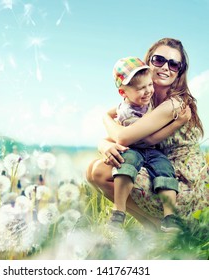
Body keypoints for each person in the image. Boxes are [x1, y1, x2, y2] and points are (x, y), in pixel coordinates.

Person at [86, 38, 209, 231]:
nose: (165, 67)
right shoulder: (145, 100)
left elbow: (125, 137)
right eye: (159, 60)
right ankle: (153, 228)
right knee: (93, 170)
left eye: (174, 64)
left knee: (100, 172)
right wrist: (104, 144)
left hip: (180, 184)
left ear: (179, 72)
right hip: (157, 169)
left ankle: (162, 228)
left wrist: (105, 120)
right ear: (148, 63)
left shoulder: (176, 103)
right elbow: (124, 131)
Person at [108, 56, 180, 232]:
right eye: (141, 88)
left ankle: (169, 216)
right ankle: (119, 210)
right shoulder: (125, 112)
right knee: (125, 164)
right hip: (134, 148)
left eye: (149, 85)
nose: (148, 91)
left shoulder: (148, 100)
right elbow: (149, 138)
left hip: (152, 152)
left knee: (165, 169)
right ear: (124, 93)